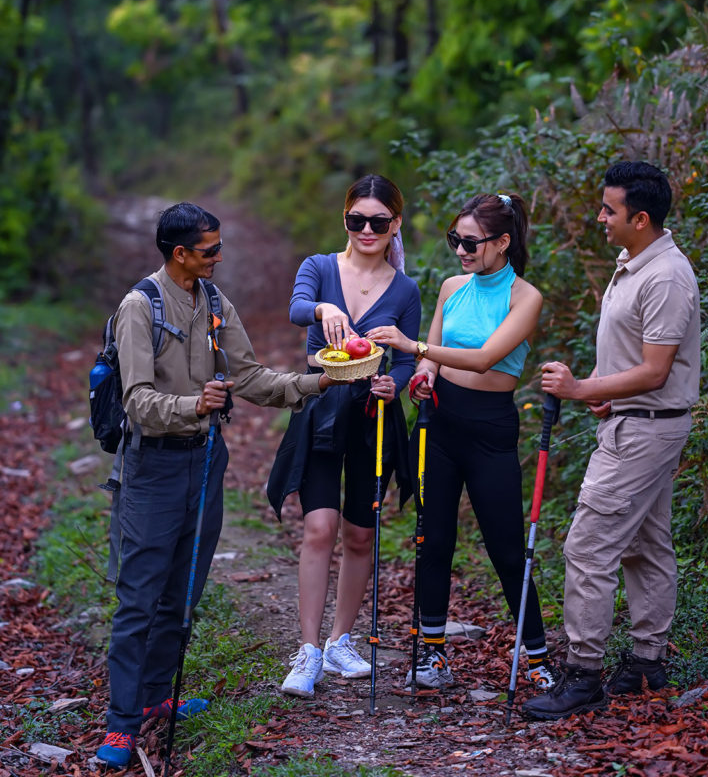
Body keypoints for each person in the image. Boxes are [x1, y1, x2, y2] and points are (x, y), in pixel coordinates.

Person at [97, 202, 338, 769]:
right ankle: (120, 724)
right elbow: (136, 404)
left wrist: (319, 382)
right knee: (139, 598)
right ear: (179, 252)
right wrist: (193, 403)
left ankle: (157, 699)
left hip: (206, 461)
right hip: (151, 467)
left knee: (183, 592)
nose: (219, 257)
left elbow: (249, 375)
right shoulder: (140, 308)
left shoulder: (212, 300)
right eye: (210, 250)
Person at [522, 161, 700, 721]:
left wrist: (580, 388)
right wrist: (605, 393)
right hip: (636, 420)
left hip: (644, 431)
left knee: (588, 545)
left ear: (640, 218)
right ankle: (647, 661)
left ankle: (583, 675)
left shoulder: (665, 277)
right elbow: (639, 367)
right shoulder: (634, 263)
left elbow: (654, 370)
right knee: (646, 543)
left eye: (609, 209)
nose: (599, 217)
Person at [367, 192, 555, 692]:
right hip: (441, 422)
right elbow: (434, 360)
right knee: (434, 541)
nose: (460, 251)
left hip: (491, 428)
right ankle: (431, 656)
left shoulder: (525, 297)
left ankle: (536, 658)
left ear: (503, 242)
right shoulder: (452, 287)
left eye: (469, 242)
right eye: (456, 240)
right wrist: (423, 374)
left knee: (507, 548)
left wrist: (415, 348)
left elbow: (486, 357)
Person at [267, 174, 421, 699]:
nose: (368, 229)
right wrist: (324, 308)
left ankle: (341, 640)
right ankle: (308, 651)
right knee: (318, 528)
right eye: (358, 220)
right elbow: (295, 310)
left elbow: (405, 362)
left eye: (380, 221)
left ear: (395, 223)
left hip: (374, 420)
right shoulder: (319, 268)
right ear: (346, 219)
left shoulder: (405, 289)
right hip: (321, 410)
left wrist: (391, 384)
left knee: (359, 534)